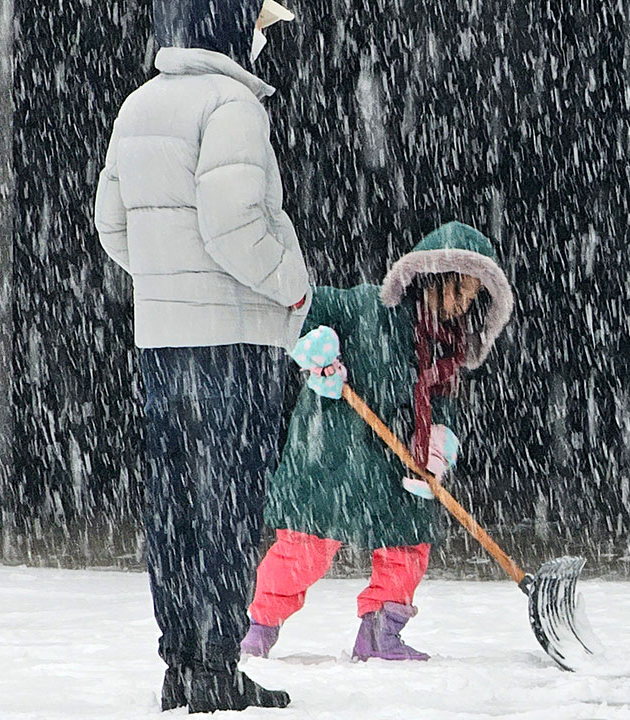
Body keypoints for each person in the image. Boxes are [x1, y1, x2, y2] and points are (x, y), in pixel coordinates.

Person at [94, 0, 307, 712]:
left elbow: (111, 225)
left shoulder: (139, 105)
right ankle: (217, 667)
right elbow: (236, 224)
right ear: (227, 29)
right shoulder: (233, 105)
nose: (260, 42)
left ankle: (182, 665)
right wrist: (293, 286)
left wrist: (163, 283)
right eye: (256, 28)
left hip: (162, 345)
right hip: (233, 344)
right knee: (229, 507)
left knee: (176, 507)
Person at [238, 221, 513, 662]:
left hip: (397, 462)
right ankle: (258, 628)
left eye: (473, 296)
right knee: (303, 550)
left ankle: (381, 635)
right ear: (433, 276)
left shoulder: (447, 348)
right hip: (332, 451)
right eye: (459, 290)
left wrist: (437, 452)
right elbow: (303, 307)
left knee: (408, 544)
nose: (463, 305)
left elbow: (442, 410)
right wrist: (315, 351)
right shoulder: (366, 305)